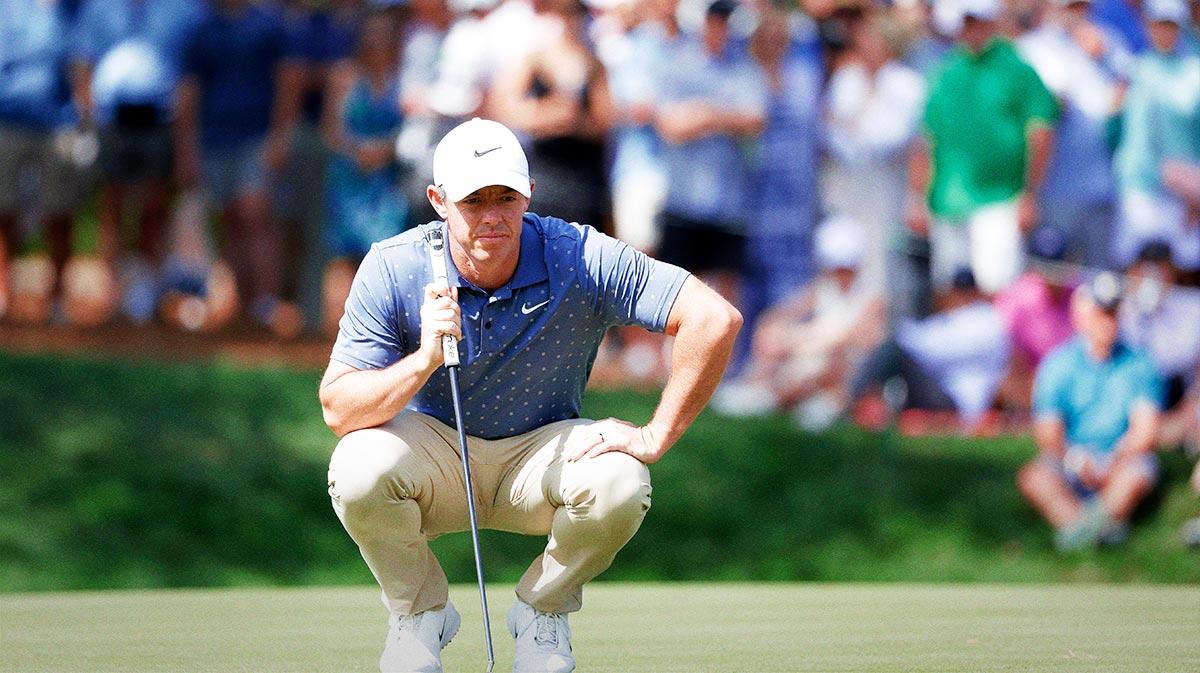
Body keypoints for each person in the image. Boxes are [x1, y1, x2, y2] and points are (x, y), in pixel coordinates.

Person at [318, 118, 741, 673]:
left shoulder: (579, 255)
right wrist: (423, 358)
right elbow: (337, 407)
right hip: (435, 453)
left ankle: (543, 610)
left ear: (529, 195)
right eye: (474, 200)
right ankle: (419, 612)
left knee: (622, 480)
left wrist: (655, 435)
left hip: (543, 453)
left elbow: (714, 317)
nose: (493, 215)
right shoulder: (396, 265)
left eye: (506, 197)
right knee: (356, 468)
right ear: (438, 201)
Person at [906, 0, 1059, 295]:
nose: (971, 29)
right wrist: (918, 198)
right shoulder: (946, 72)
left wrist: (1029, 194)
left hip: (999, 201)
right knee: (951, 293)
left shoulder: (1017, 69)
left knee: (999, 294)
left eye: (976, 20)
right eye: (966, 22)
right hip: (948, 203)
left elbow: (1041, 133)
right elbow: (927, 140)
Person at [1017, 272, 1164, 552]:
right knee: (1035, 477)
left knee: (1135, 475)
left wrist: (1116, 459)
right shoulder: (1058, 364)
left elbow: (1145, 432)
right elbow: (1048, 434)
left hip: (1121, 458)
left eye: (1113, 313)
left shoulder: (1140, 364)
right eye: (1101, 312)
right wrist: (1074, 459)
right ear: (1080, 315)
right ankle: (1096, 532)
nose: (1107, 321)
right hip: (1072, 457)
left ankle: (1082, 536)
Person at [712, 215, 886, 431]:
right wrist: (777, 333)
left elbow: (860, 339)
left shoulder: (871, 298)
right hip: (813, 355)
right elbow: (779, 315)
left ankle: (776, 399)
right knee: (778, 338)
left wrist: (803, 340)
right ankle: (764, 390)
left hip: (843, 368)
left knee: (828, 360)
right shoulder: (822, 288)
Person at [1111, 0, 1200, 274]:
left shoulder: (1194, 71)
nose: (1163, 31)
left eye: (1169, 24)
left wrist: (1195, 196)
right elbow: (1115, 128)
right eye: (1158, 24)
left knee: (1182, 270)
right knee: (1135, 266)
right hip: (1138, 187)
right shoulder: (1134, 69)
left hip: (1182, 195)